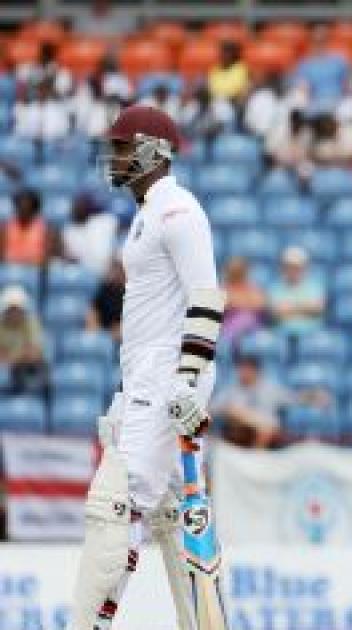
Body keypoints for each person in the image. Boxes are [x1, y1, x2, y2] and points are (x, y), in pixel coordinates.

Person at [71, 105, 227, 628]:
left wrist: (187, 380)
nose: (113, 157)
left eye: (121, 147)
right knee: (173, 519)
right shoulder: (148, 213)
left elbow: (206, 297)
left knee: (116, 504)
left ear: (153, 151)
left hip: (166, 377)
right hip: (148, 376)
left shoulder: (178, 210)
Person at [211, 354, 330, 449]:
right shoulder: (231, 390)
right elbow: (213, 409)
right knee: (233, 410)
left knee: (268, 428)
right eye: (241, 370)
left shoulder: (271, 389)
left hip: (265, 433)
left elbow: (293, 398)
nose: (243, 373)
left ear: (256, 371)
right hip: (239, 431)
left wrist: (314, 396)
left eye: (247, 370)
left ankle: (255, 456)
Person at [268, 246, 326, 339]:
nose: (293, 270)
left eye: (297, 267)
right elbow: (276, 312)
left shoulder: (315, 286)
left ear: (305, 268)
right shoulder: (275, 287)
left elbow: (317, 308)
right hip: (282, 333)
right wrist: (304, 307)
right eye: (289, 267)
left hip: (310, 333)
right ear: (283, 268)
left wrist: (290, 307)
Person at [0, 285, 48, 395]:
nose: (14, 313)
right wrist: (21, 355)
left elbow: (33, 354)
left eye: (17, 309)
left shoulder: (32, 324)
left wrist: (10, 357)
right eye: (11, 309)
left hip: (28, 371)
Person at [60, 193, 119, 276]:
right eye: (77, 206)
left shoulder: (105, 221)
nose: (79, 208)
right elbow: (68, 256)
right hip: (84, 274)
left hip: (109, 272)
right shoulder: (68, 232)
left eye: (82, 206)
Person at [1, 189, 61, 267]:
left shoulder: (46, 228)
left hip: (36, 267)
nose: (23, 209)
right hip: (10, 267)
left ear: (34, 209)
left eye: (27, 207)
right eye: (20, 206)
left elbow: (49, 254)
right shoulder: (5, 227)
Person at [220, 256, 267, 344]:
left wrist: (236, 302)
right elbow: (224, 304)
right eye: (234, 271)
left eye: (239, 270)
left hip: (253, 328)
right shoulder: (224, 287)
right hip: (230, 328)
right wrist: (245, 301)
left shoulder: (252, 287)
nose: (237, 274)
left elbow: (260, 304)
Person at [86, 259, 125, 339]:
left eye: (120, 270)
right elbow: (92, 313)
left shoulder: (131, 291)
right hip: (105, 334)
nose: (117, 274)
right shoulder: (103, 290)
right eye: (115, 269)